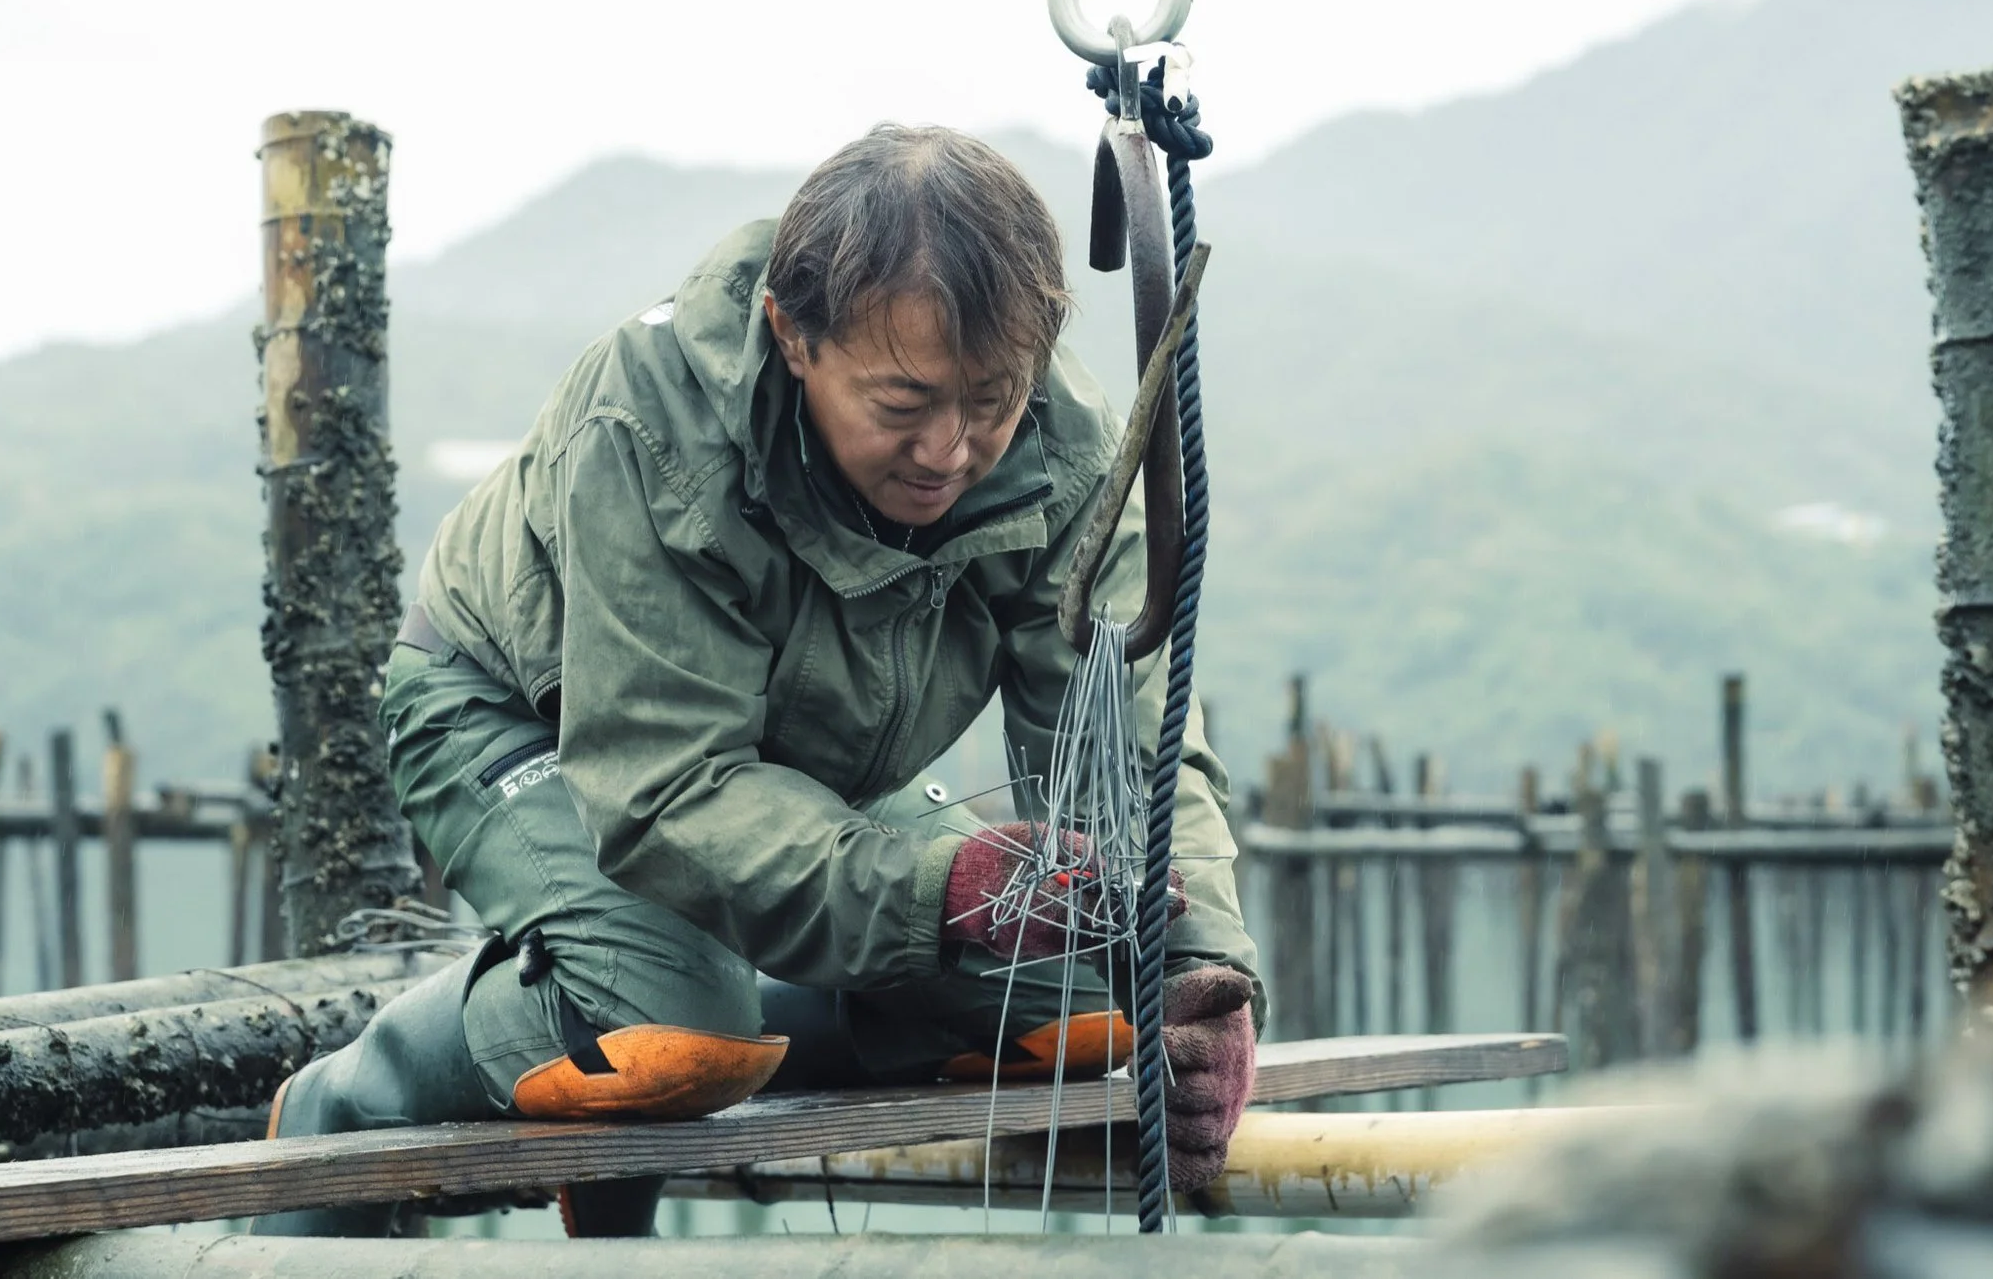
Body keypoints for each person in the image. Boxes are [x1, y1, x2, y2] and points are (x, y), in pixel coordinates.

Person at [256, 124, 1262, 1237]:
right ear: (792, 333)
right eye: (902, 405)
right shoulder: (645, 421)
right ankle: (348, 1095)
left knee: (1083, 1007)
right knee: (671, 1021)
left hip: (789, 764)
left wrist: (1197, 971)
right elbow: (665, 787)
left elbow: (1127, 729)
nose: (948, 448)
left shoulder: (1066, 448)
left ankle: (697, 1028)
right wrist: (937, 886)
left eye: (989, 398)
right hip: (513, 711)